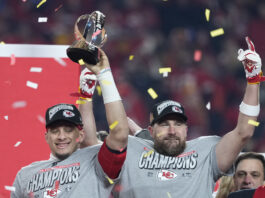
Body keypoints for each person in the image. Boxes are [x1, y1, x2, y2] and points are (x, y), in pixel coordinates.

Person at [108, 36, 262, 197]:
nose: (172, 130)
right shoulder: (132, 149)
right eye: (165, 124)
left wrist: (253, 81)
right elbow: (94, 141)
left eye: (178, 124)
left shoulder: (205, 152)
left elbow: (244, 132)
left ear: (186, 129)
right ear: (151, 131)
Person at [11, 49, 129, 197]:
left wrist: (104, 74)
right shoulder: (25, 175)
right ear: (46, 136)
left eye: (68, 130)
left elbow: (120, 133)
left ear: (80, 134)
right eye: (55, 131)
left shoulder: (96, 162)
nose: (61, 136)